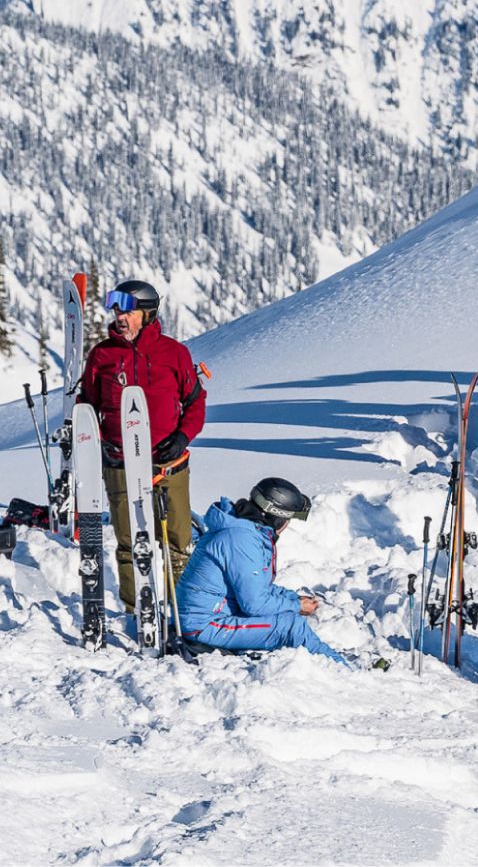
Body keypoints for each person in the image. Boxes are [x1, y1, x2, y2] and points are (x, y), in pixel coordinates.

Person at [80, 280, 206, 609]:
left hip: (168, 463)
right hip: (120, 463)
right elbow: (87, 406)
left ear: (147, 314)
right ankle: (135, 612)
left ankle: (182, 610)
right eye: (116, 310)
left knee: (178, 543)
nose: (120, 317)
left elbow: (195, 402)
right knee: (130, 543)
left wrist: (183, 437)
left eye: (128, 311)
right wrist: (97, 442)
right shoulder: (102, 356)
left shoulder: (174, 354)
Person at [174, 477, 349, 664]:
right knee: (290, 626)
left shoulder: (244, 531)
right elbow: (255, 604)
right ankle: (340, 669)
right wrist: (296, 607)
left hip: (214, 614)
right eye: (288, 519)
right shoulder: (241, 540)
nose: (287, 525)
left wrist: (293, 599)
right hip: (205, 624)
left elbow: (255, 588)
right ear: (278, 518)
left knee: (285, 616)